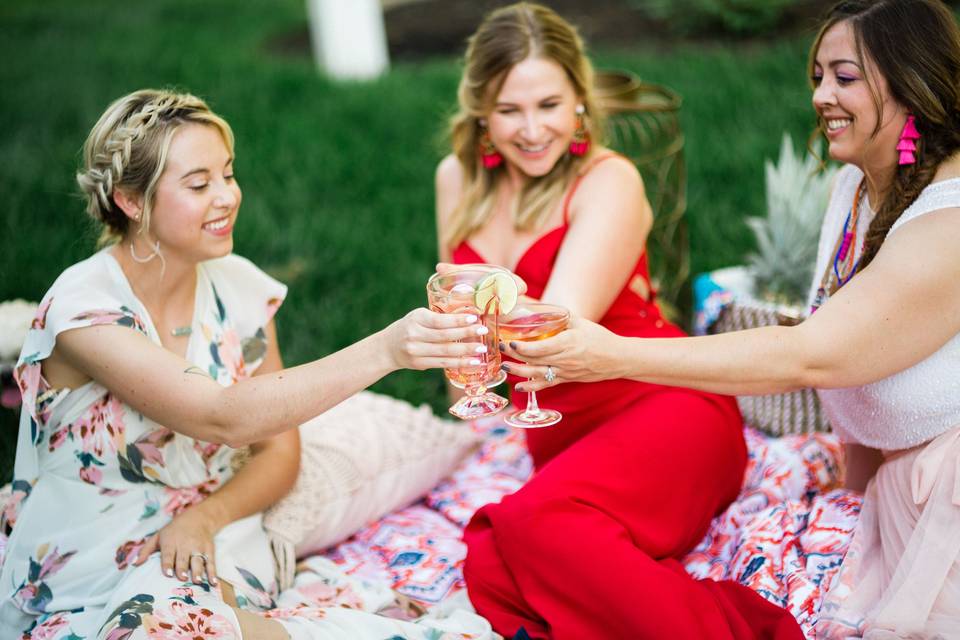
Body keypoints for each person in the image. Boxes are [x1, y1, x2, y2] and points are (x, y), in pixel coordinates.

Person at [503, 0, 960, 636]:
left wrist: (607, 353)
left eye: (845, 77)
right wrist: (851, 507)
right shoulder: (856, 187)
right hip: (887, 480)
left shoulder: (948, 225)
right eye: (817, 77)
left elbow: (810, 353)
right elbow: (861, 382)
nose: (822, 95)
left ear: (913, 80)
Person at [0, 89, 494, 640]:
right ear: (130, 201)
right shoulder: (85, 309)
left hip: (213, 541)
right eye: (198, 184)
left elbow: (279, 449)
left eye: (228, 175)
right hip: (87, 552)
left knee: (175, 620)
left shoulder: (239, 289)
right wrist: (385, 350)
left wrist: (206, 519)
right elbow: (219, 416)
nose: (226, 197)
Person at [435, 3, 804, 638]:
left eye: (548, 104)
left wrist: (459, 327)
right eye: (509, 109)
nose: (530, 130)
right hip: (559, 437)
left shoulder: (610, 180)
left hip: (664, 404)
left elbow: (553, 334)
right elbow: (463, 369)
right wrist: (458, 352)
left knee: (526, 530)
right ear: (480, 114)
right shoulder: (457, 180)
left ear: (580, 100)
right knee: (494, 559)